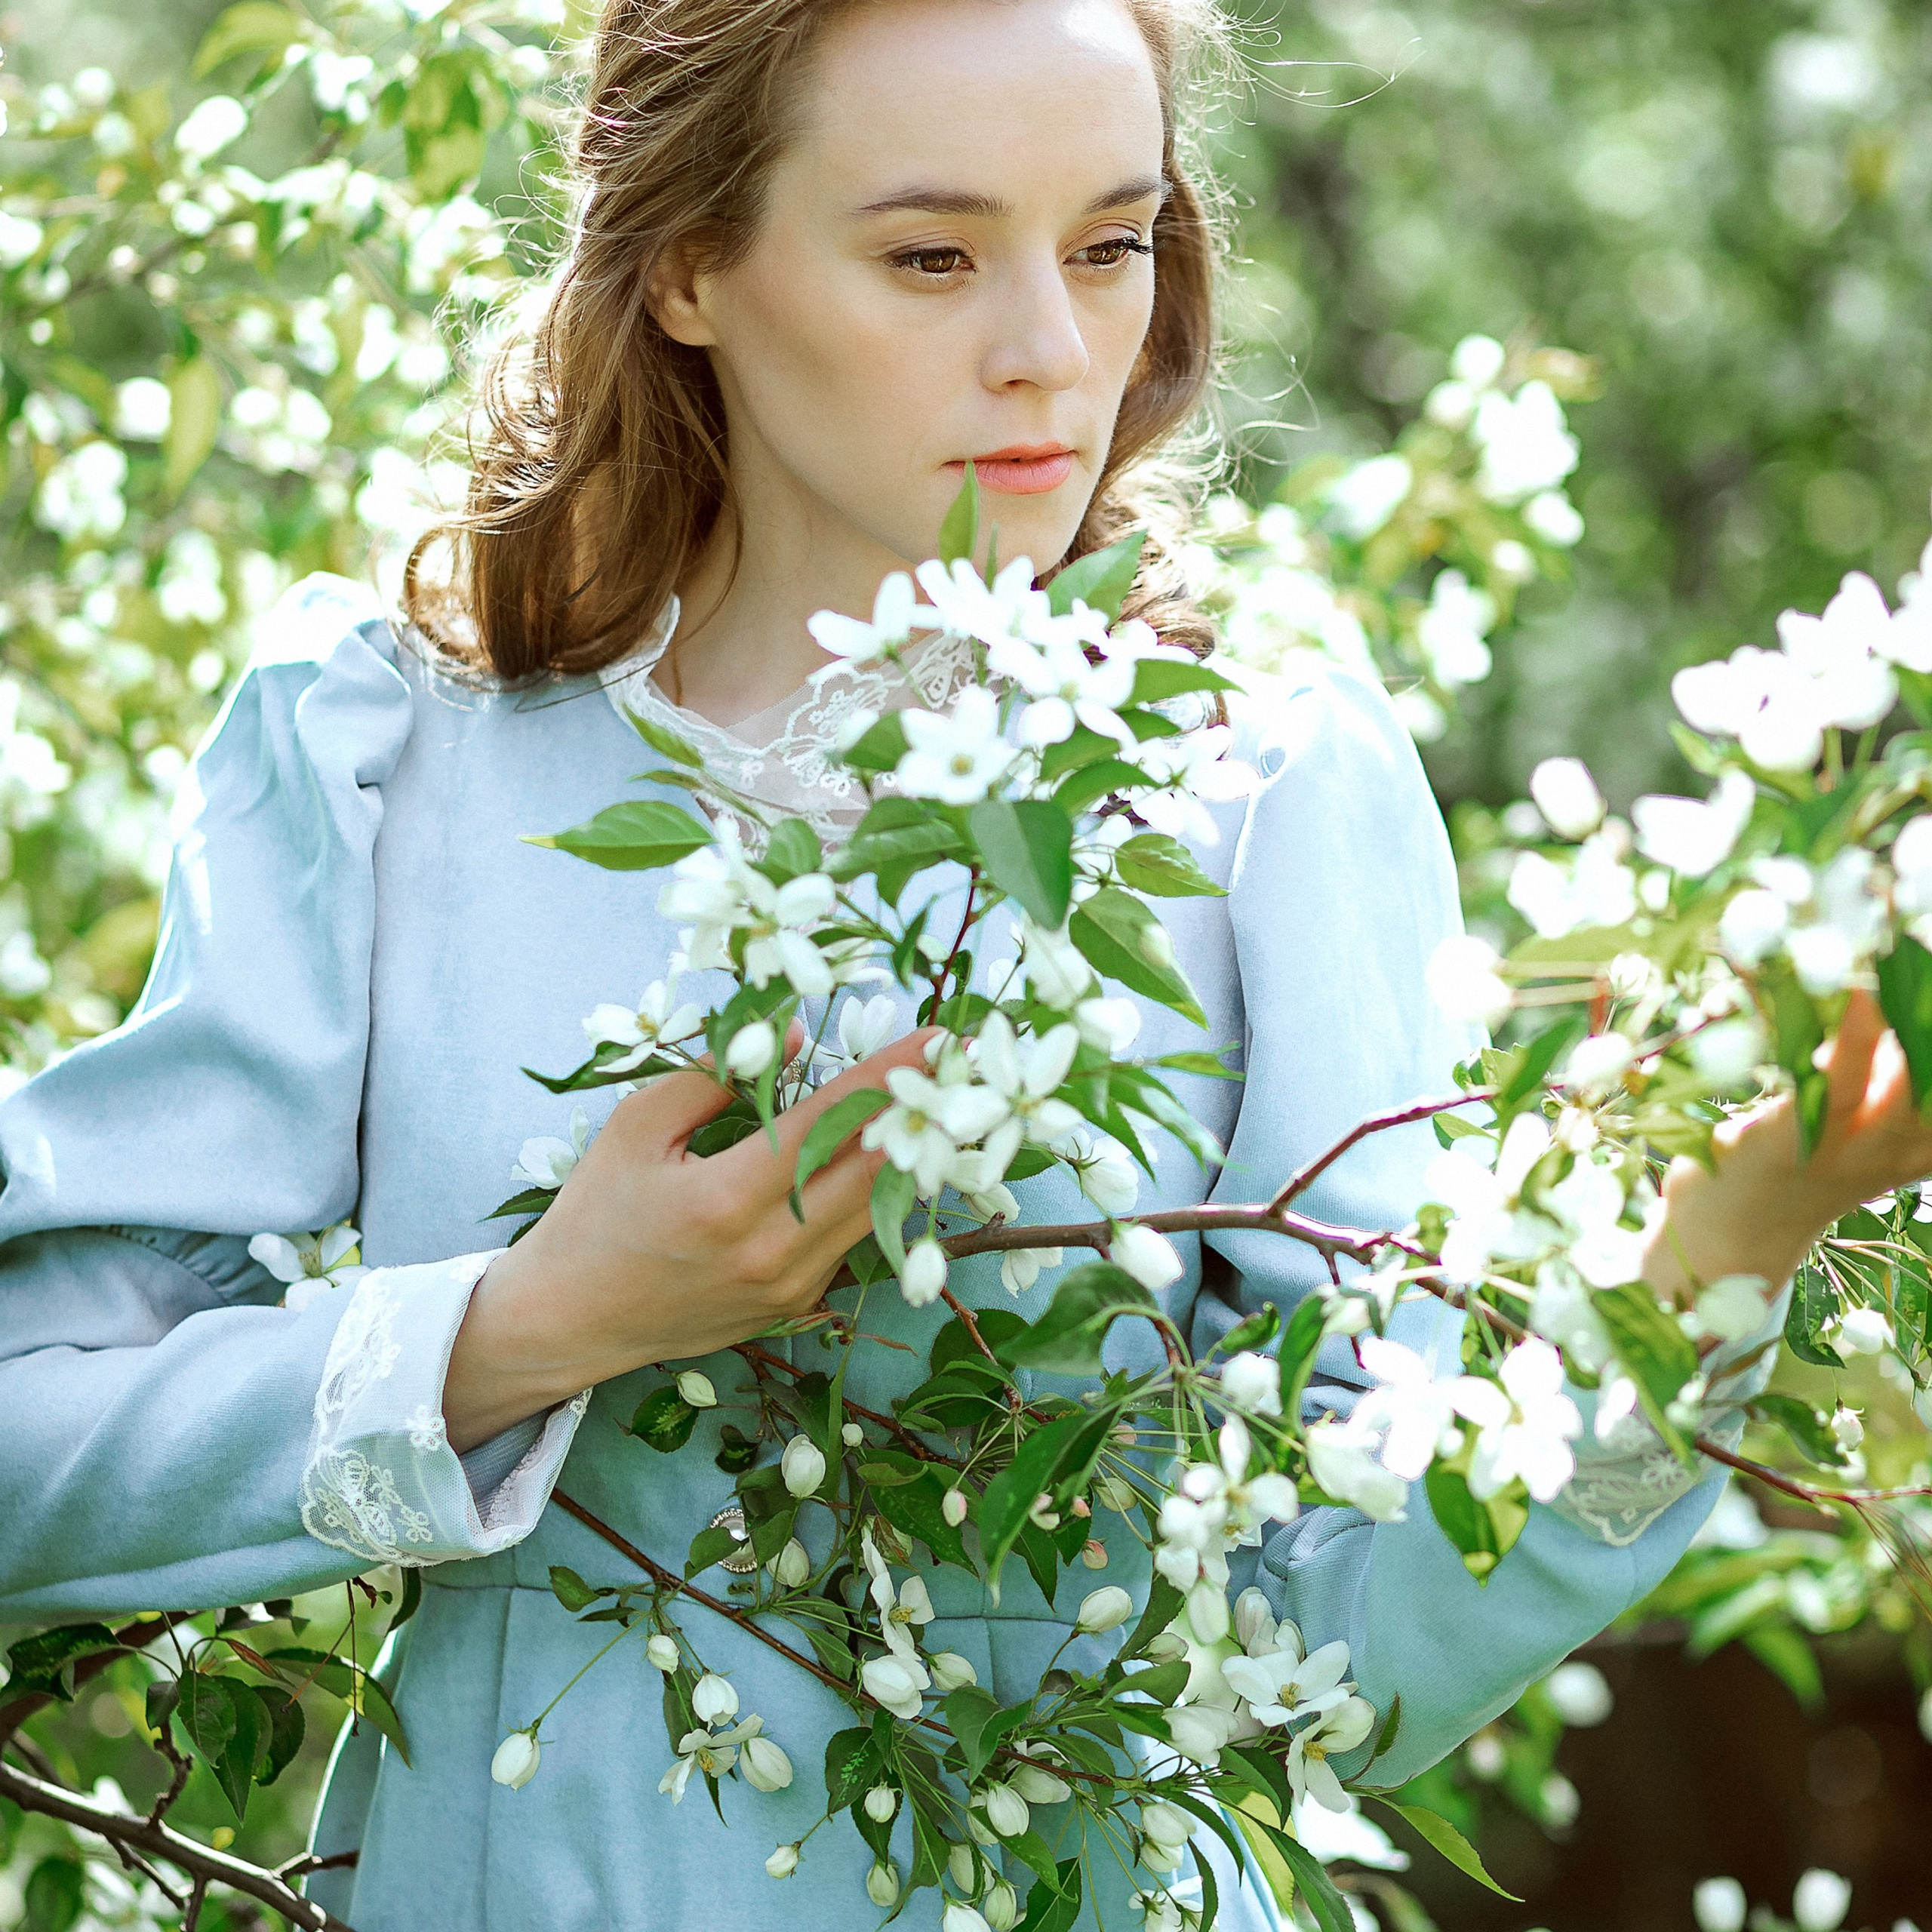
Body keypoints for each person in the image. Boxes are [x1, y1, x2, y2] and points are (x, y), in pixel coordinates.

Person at [4, 2, 1929, 1927]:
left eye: (1108, 244)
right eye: (932, 255)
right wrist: (528, 1325)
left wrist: (1717, 1256)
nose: (1051, 352)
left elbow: (1347, 1652)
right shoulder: (384, 751)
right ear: (687, 266)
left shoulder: (1245, 782)